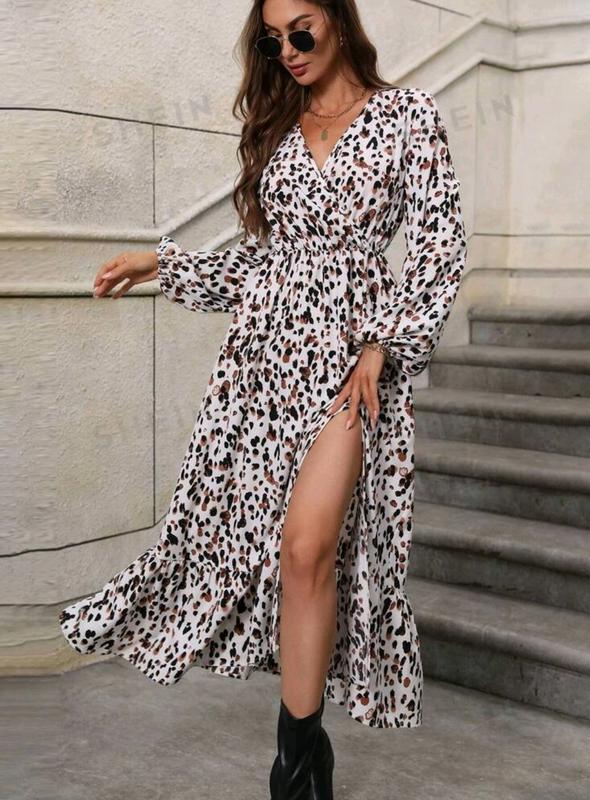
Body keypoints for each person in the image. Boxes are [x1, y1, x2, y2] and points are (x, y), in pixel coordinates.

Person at [59, 1, 467, 797]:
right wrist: (162, 263)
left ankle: (297, 760)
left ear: (339, 19)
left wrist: (383, 345)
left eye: (301, 29)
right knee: (289, 556)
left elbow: (439, 246)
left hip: (353, 361)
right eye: (272, 39)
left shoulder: (408, 116)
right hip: (266, 365)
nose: (289, 49)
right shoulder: (281, 127)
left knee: (310, 547)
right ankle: (300, 762)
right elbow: (265, 268)